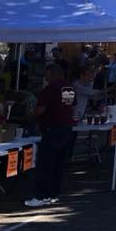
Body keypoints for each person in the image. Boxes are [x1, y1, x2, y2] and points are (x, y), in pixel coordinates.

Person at [25, 63, 76, 207]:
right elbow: (71, 105)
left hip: (52, 129)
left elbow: (41, 109)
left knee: (45, 164)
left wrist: (30, 117)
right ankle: (54, 193)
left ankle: (41, 196)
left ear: (53, 74)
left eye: (47, 75)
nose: (45, 78)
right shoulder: (69, 87)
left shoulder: (50, 89)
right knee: (58, 165)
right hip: (66, 129)